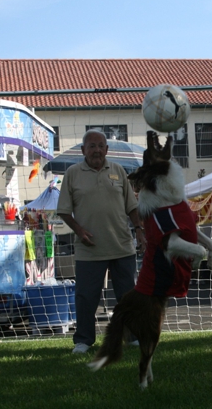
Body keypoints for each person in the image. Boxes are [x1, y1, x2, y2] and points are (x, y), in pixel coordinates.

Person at [57, 129, 146, 353]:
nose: (96, 150)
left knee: (127, 296)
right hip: (89, 248)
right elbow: (64, 211)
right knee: (86, 297)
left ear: (107, 149)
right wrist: (79, 230)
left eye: (100, 146)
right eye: (91, 146)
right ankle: (84, 341)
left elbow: (132, 207)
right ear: (83, 150)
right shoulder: (72, 173)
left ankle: (133, 336)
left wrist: (139, 230)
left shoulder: (118, 171)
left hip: (121, 245)